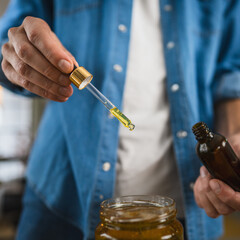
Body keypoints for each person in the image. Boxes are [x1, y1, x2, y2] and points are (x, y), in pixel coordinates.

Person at [0, 0, 240, 239]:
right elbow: (8, 42)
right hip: (62, 199)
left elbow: (232, 72)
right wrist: (18, 56)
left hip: (184, 210)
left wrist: (233, 142)